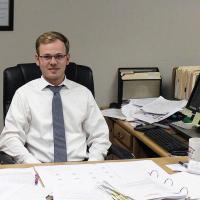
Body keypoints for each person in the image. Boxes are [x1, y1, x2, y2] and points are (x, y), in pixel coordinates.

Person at [0, 31, 111, 163]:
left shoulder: (83, 94)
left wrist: (92, 163)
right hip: (38, 166)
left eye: (59, 56)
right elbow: (10, 138)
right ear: (37, 59)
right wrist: (32, 164)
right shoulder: (24, 94)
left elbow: (100, 136)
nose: (53, 62)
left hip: (80, 167)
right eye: (47, 57)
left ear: (67, 59)